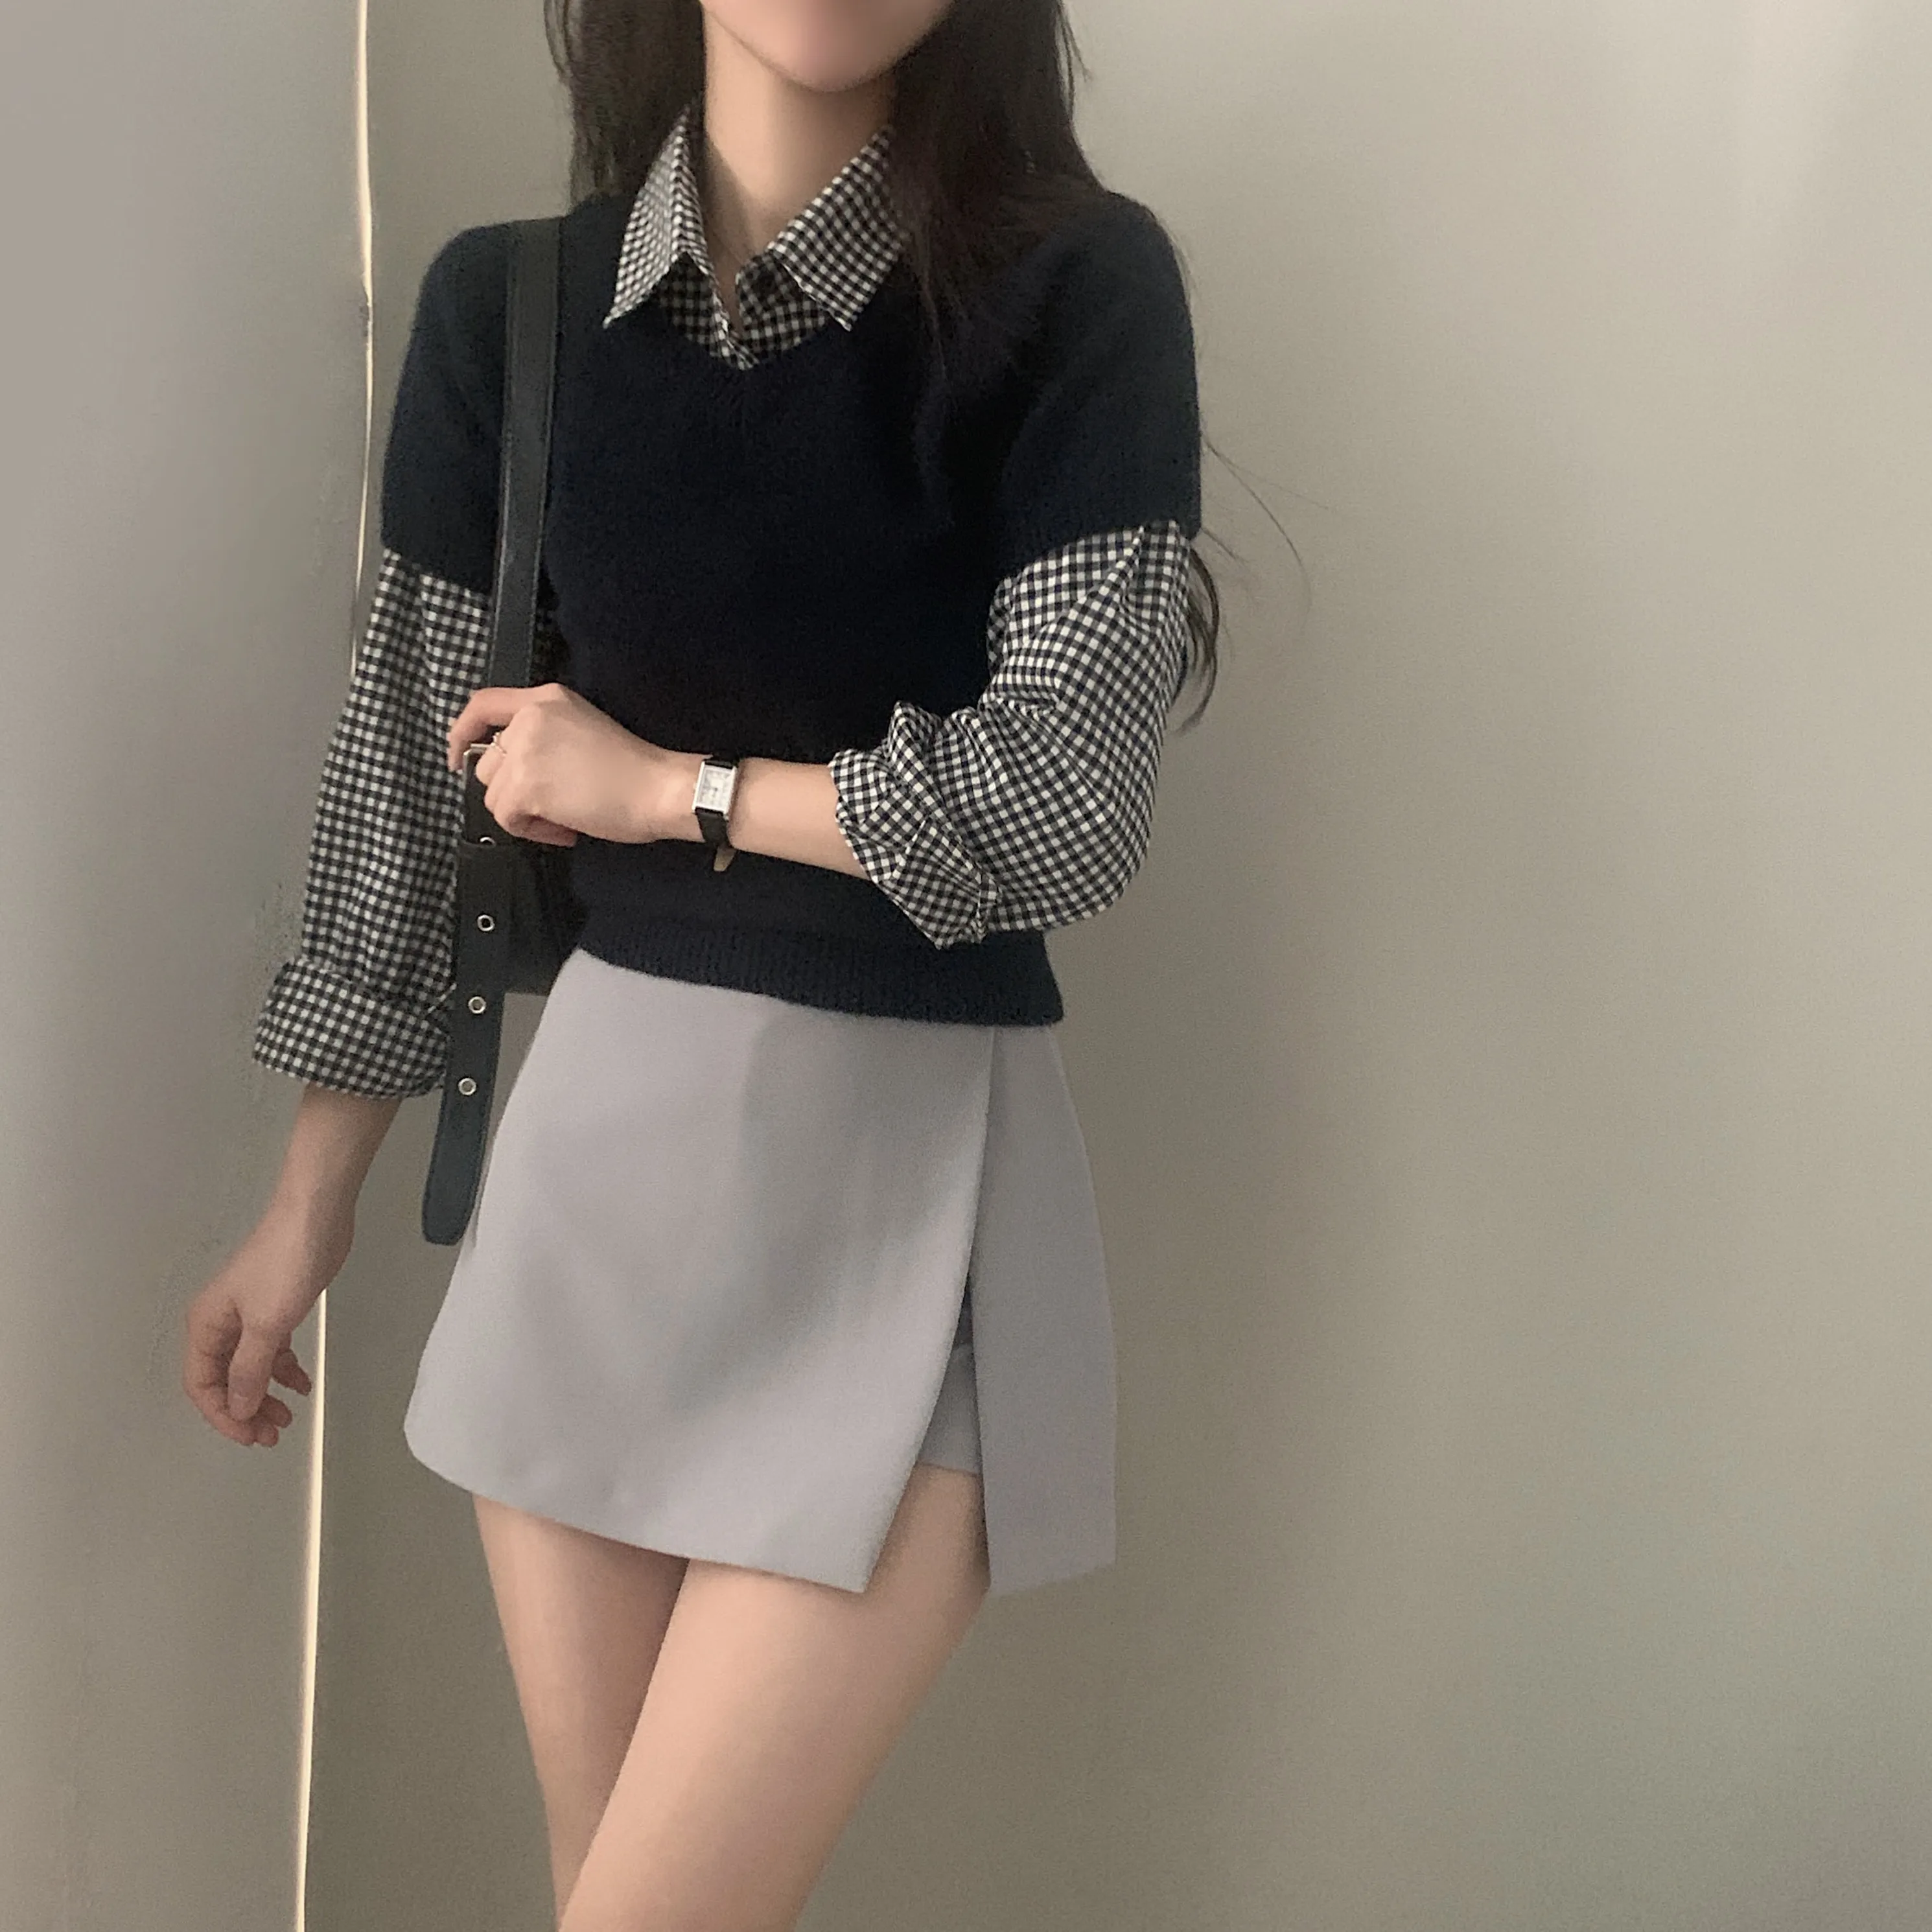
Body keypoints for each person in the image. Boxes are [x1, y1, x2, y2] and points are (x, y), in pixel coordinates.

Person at [183, 1, 1222, 1925]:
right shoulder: (509, 312)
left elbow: (1067, 804)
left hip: (913, 1185)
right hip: (605, 1179)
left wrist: (673, 791)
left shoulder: (1073, 292)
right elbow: (406, 781)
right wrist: (304, 1206)